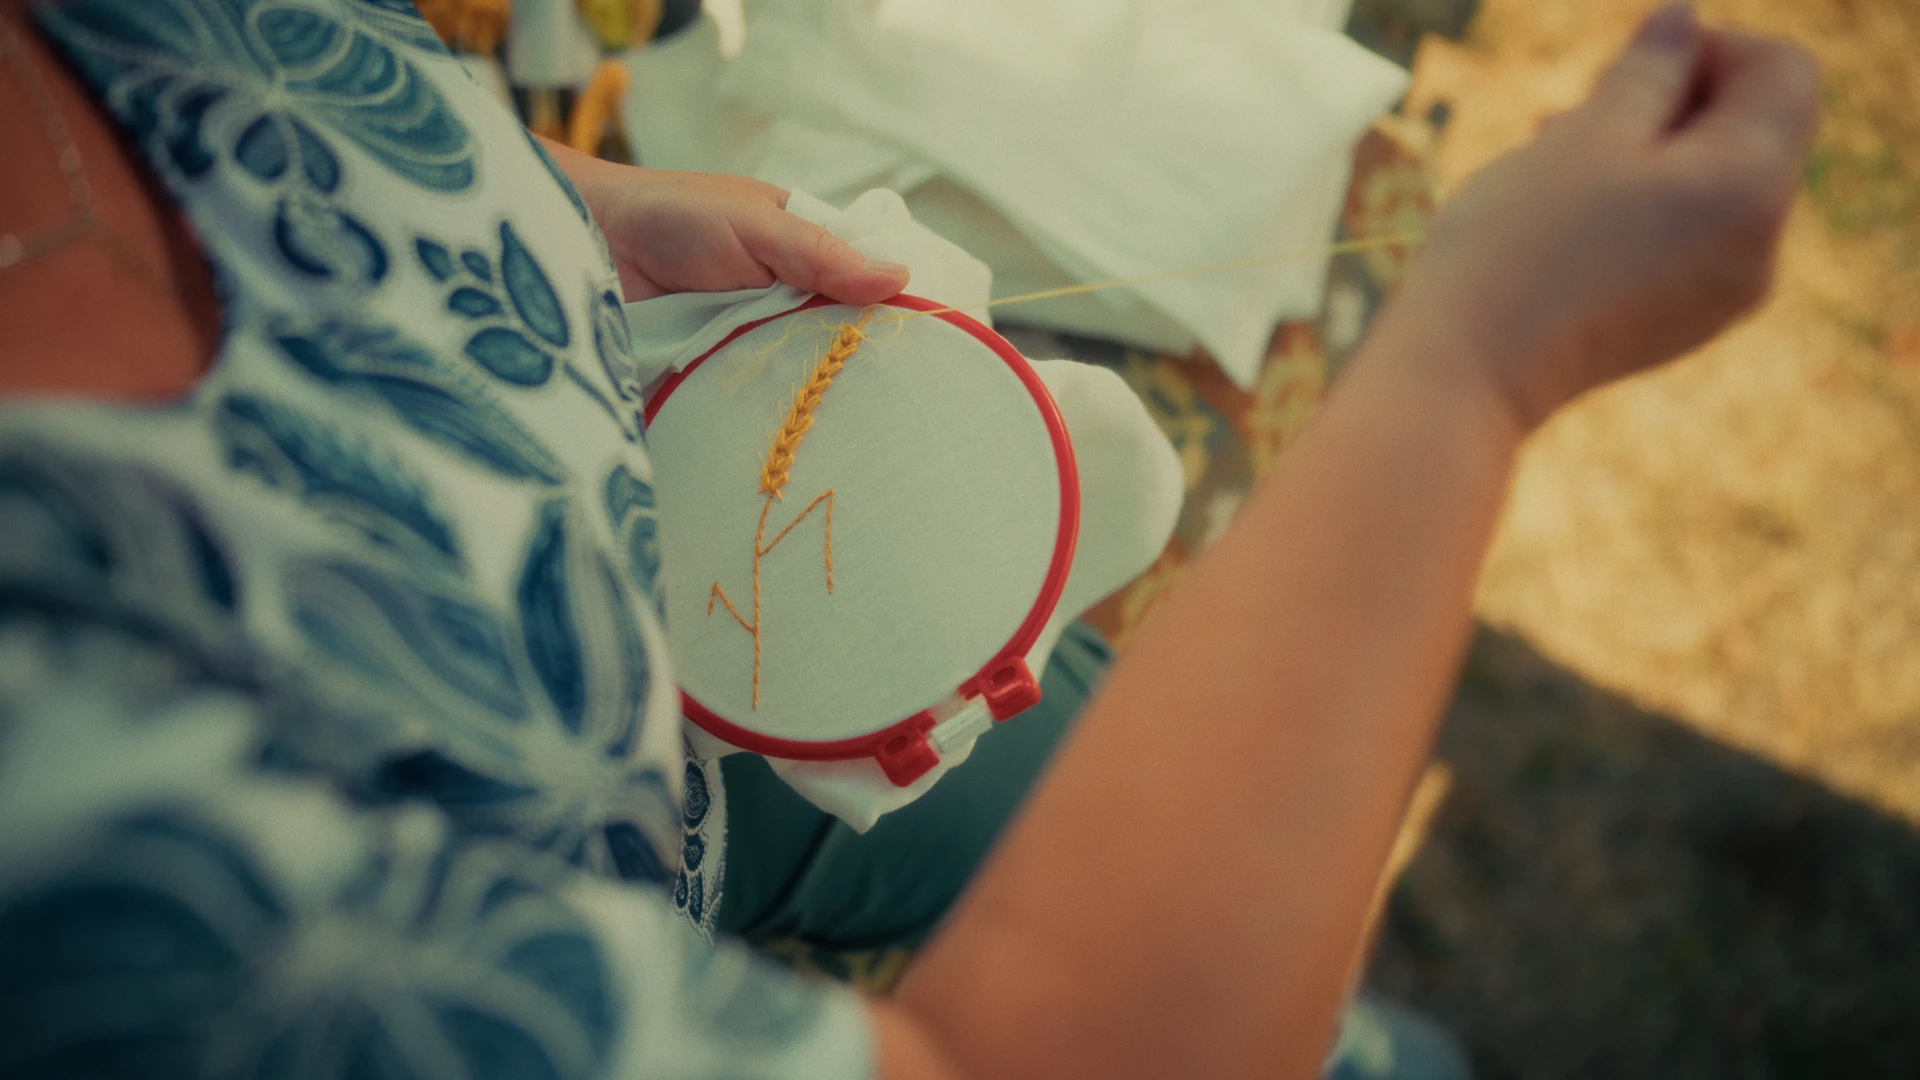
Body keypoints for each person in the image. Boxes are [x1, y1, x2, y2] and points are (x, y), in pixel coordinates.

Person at [0, 0, 1817, 1077]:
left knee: (1107, 773)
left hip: (706, 618)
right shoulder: (72, 847)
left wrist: (575, 209)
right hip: (634, 829)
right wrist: (1473, 371)